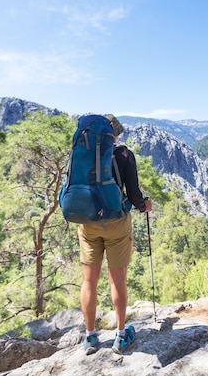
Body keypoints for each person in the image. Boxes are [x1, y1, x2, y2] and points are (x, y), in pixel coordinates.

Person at [78, 114, 152, 355]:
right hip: (116, 222)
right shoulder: (123, 154)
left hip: (87, 222)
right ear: (115, 134)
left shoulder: (82, 150)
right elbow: (133, 194)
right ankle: (120, 336)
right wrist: (144, 205)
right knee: (117, 279)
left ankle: (90, 337)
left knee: (89, 280)